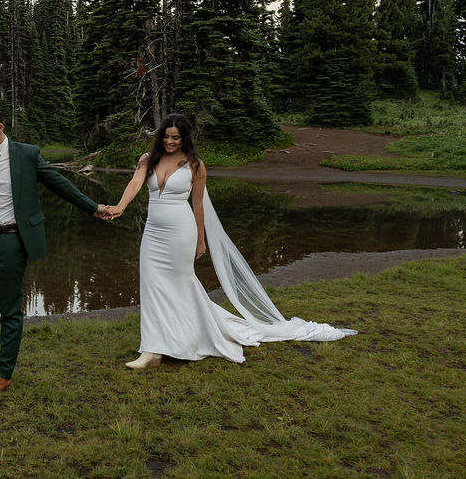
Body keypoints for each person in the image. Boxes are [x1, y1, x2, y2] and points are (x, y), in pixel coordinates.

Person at [105, 113, 355, 369]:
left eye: (175, 138)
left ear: (185, 138)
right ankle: (152, 350)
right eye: (166, 137)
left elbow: (198, 204)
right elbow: (135, 183)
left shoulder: (194, 164)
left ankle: (183, 339)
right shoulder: (148, 159)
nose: (170, 142)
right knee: (151, 286)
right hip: (153, 232)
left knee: (181, 285)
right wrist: (120, 206)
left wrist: (201, 240)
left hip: (181, 232)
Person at [0, 103, 112, 395]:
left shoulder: (26, 154)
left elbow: (59, 184)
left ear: (0, 127)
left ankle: (4, 374)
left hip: (12, 242)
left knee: (10, 310)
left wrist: (93, 208)